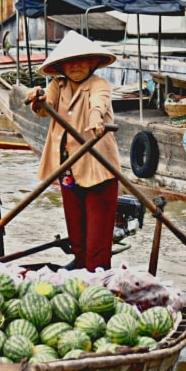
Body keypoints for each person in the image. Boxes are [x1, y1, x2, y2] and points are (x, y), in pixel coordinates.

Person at [25, 31, 122, 272]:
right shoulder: (58, 85)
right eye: (70, 61)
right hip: (68, 168)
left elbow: (98, 104)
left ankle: (97, 278)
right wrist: (38, 98)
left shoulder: (98, 84)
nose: (76, 66)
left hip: (98, 168)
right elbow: (44, 106)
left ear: (92, 62)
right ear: (61, 66)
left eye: (82, 60)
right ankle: (80, 272)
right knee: (77, 233)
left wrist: (96, 118)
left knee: (98, 238)